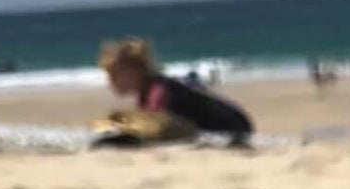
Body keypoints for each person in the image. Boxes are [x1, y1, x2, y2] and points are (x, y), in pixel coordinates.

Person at [99, 39, 253, 140]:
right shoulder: (146, 92)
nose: (111, 82)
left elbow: (154, 127)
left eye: (115, 76)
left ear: (135, 72)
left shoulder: (158, 91)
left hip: (232, 125)